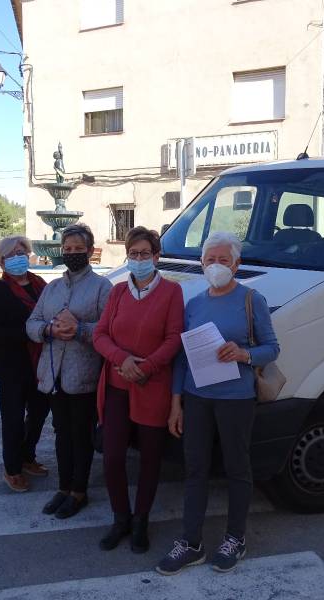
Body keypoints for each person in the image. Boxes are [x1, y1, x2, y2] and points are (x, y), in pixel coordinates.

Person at [156, 231, 280, 575]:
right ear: (201, 263)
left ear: (237, 265)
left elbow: (272, 347)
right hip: (197, 399)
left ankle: (235, 539)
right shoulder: (194, 304)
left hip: (236, 400)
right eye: (210, 260)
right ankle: (191, 542)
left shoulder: (251, 300)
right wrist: (176, 403)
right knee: (195, 469)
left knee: (237, 468)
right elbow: (182, 359)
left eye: (223, 260)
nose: (216, 266)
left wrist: (244, 353)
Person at [93, 227, 184, 553]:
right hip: (118, 384)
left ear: (157, 256)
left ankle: (142, 520)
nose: (140, 259)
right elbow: (100, 335)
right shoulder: (117, 293)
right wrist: (123, 359)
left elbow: (174, 338)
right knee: (113, 456)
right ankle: (121, 518)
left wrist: (144, 367)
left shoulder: (172, 292)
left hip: (153, 385)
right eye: (134, 254)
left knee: (150, 458)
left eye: (146, 254)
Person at [26, 223, 112, 519]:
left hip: (83, 373)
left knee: (80, 433)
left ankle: (79, 491)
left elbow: (109, 329)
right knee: (60, 432)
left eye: (78, 249)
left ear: (90, 251)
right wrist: (48, 329)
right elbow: (32, 322)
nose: (72, 253)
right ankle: (63, 488)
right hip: (53, 374)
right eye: (68, 249)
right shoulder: (52, 287)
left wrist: (79, 330)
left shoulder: (102, 287)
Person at [0, 236, 50, 492]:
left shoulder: (40, 285)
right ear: (1, 262)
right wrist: (31, 332)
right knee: (13, 415)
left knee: (40, 410)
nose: (17, 257)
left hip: (39, 359)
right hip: (9, 362)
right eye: (10, 254)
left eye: (21, 252)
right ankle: (12, 469)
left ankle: (27, 456)